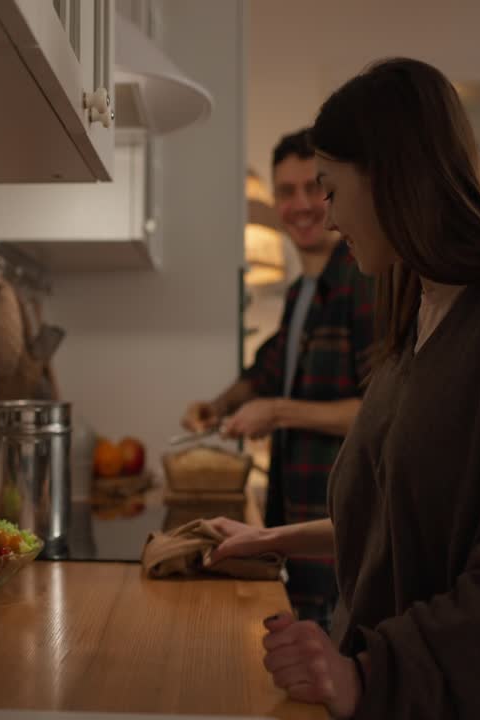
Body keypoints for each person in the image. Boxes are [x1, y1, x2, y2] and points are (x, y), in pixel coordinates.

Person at [210, 57, 480, 719]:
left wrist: (368, 676)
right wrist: (273, 540)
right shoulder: (415, 310)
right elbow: (400, 520)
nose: (328, 216)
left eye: (332, 188)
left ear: (388, 177)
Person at [181, 129, 374, 631]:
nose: (301, 204)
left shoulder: (362, 278)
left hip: (340, 526)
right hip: (296, 516)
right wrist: (217, 407)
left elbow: (377, 411)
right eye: (285, 192)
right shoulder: (302, 292)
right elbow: (266, 371)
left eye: (314, 187)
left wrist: (278, 412)